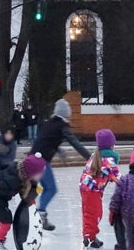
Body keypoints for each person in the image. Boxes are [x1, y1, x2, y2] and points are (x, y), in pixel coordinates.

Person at [31, 98, 90, 231]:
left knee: (38, 189)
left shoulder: (49, 123)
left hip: (33, 159)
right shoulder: (62, 126)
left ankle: (38, 215)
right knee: (50, 189)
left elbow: (45, 140)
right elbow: (75, 142)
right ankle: (40, 215)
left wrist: (58, 150)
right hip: (40, 161)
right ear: (66, 112)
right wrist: (90, 157)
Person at [0, 153, 46, 250]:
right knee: (6, 221)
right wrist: (29, 191)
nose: (41, 175)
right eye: (39, 173)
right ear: (31, 171)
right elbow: (20, 192)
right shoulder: (13, 180)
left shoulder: (19, 173)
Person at [78, 128, 120, 250]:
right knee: (95, 214)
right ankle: (89, 238)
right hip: (92, 190)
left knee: (89, 213)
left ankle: (89, 236)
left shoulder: (96, 155)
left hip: (86, 188)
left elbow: (105, 173)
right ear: (112, 145)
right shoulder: (108, 160)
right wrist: (130, 186)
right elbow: (117, 177)